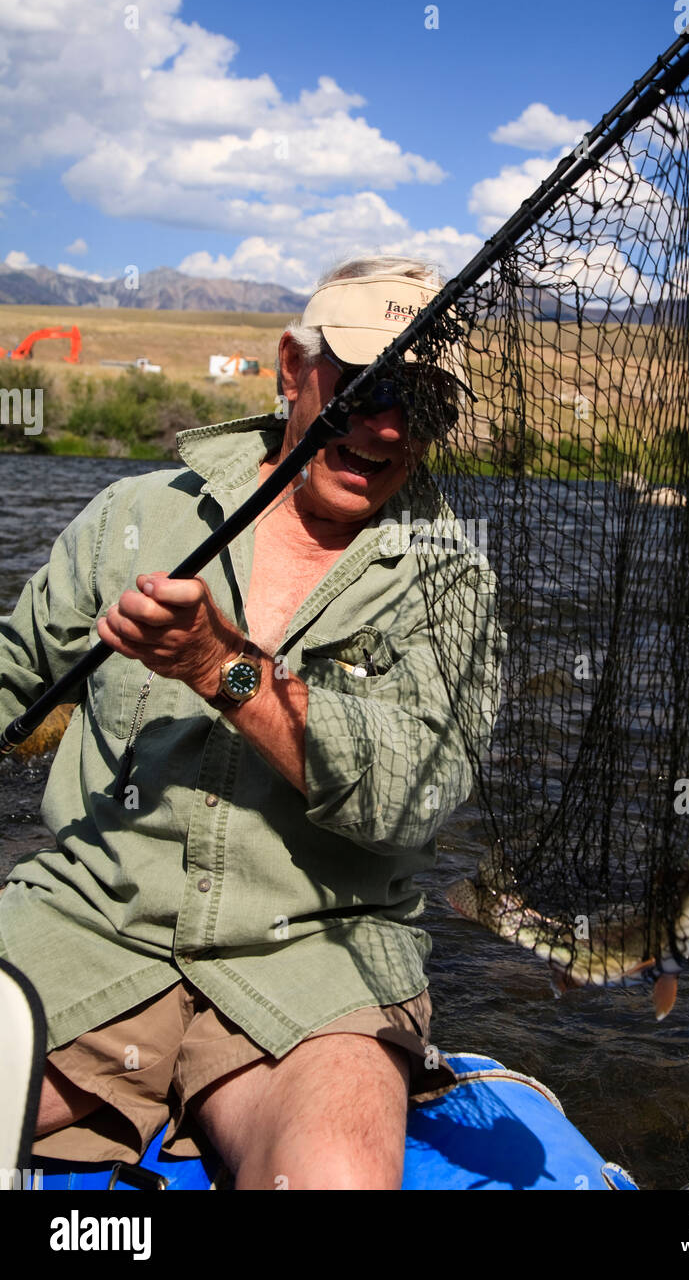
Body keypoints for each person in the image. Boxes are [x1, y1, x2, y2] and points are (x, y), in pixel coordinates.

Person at [0, 256, 502, 1190]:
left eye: (425, 404)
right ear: (290, 367)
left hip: (320, 963)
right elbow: (12, 671)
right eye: (370, 383)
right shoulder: (135, 516)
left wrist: (219, 667)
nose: (390, 426)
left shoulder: (453, 580)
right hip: (84, 928)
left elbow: (413, 797)